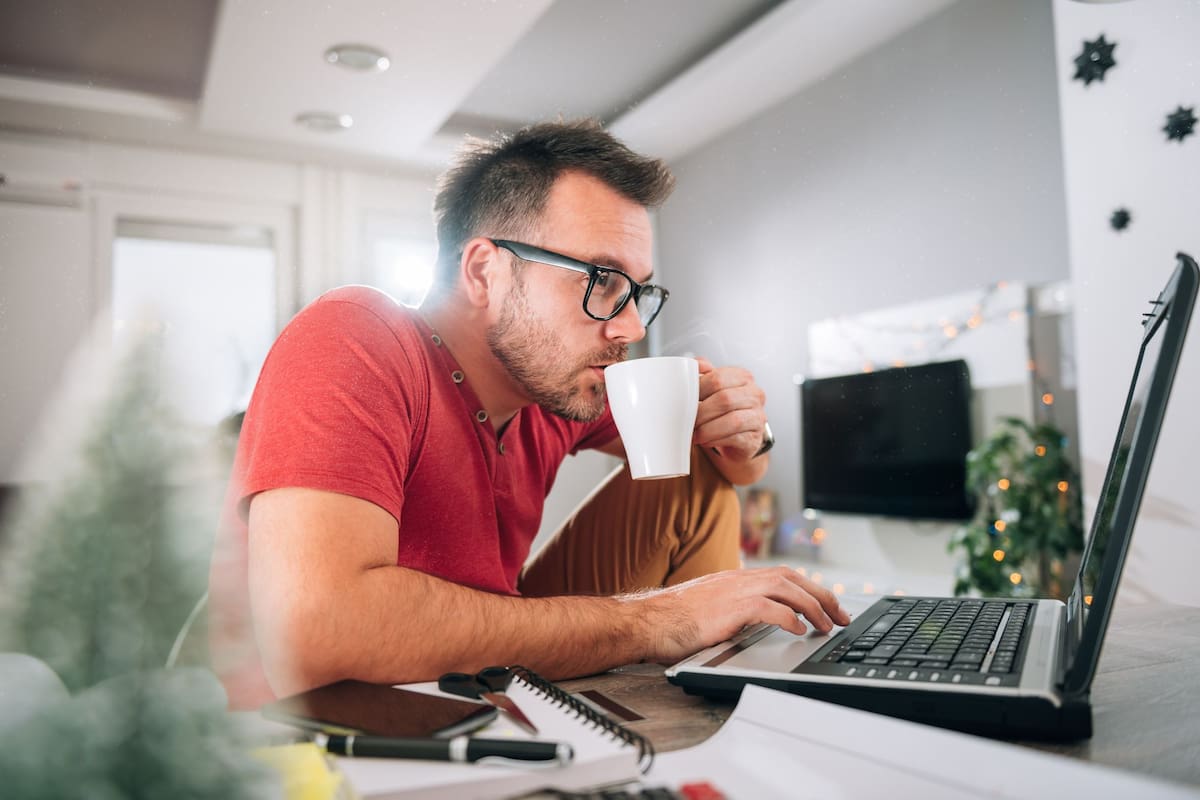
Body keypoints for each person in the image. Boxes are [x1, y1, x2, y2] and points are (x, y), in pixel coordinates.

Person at [208, 119, 849, 710]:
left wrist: (746, 435)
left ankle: (712, 706)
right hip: (325, 727)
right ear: (485, 271)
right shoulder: (355, 336)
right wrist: (664, 618)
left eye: (639, 291)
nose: (629, 325)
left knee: (691, 481)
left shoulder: (556, 385)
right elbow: (316, 638)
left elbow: (723, 475)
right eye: (600, 279)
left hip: (481, 674)